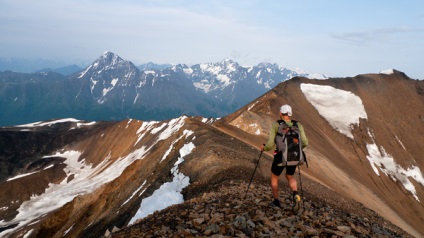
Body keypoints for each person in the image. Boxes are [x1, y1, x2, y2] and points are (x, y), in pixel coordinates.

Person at [261, 104, 308, 212]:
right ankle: (295, 193)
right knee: (290, 176)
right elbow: (305, 142)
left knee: (274, 176)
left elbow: (270, 144)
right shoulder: (298, 125)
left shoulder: (276, 125)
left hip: (280, 156)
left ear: (280, 113)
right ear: (290, 113)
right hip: (294, 156)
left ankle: (276, 201)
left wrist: (264, 148)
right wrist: (297, 150)